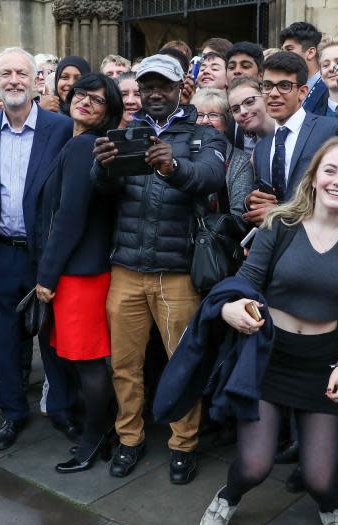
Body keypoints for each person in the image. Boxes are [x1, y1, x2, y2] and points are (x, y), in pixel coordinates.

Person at [197, 138, 338, 525]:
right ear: (315, 177)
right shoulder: (280, 225)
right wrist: (230, 308)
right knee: (254, 465)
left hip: (322, 360)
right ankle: (227, 497)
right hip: (268, 354)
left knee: (321, 478)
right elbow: (246, 281)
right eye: (331, 170)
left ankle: (330, 507)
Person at [91, 54, 227, 483]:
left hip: (178, 272)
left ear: (179, 89)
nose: (154, 93)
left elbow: (211, 178)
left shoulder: (204, 137)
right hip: (127, 269)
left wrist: (174, 167)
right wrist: (102, 167)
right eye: (147, 85)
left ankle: (183, 443)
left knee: (181, 364)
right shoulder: (126, 132)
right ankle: (129, 438)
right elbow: (104, 192)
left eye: (163, 85)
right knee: (125, 365)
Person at [0, 47, 77, 452]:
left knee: (53, 335)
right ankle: (12, 413)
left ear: (37, 81)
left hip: (46, 254)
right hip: (1, 252)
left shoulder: (61, 128)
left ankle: (63, 409)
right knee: (3, 338)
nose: (14, 80)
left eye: (22, 73)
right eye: (5, 73)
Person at [33, 73, 124, 473]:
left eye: (97, 100)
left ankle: (94, 437)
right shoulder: (78, 144)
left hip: (79, 275)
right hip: (81, 272)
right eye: (81, 94)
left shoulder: (85, 147)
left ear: (110, 112)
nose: (85, 101)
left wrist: (47, 277)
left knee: (89, 363)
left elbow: (68, 219)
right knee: (84, 361)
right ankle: (100, 431)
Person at [245, 52, 338, 225]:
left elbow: (337, 195)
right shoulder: (262, 148)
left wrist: (280, 213)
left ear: (303, 92)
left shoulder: (329, 130)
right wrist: (251, 203)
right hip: (275, 245)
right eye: (267, 86)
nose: (273, 93)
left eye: (284, 86)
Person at [192, 88, 253, 216]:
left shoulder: (240, 161)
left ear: (226, 122)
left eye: (213, 115)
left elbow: (239, 214)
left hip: (222, 232)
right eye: (199, 115)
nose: (205, 121)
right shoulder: (182, 153)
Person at [279, 21, 329, 116]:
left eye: (289, 49)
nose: (283, 55)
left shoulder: (329, 89)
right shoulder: (287, 89)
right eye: (282, 50)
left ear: (310, 53)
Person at [228, 76, 275, 155]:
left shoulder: (296, 130)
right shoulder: (255, 155)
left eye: (249, 102)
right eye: (235, 109)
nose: (243, 112)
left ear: (265, 98)